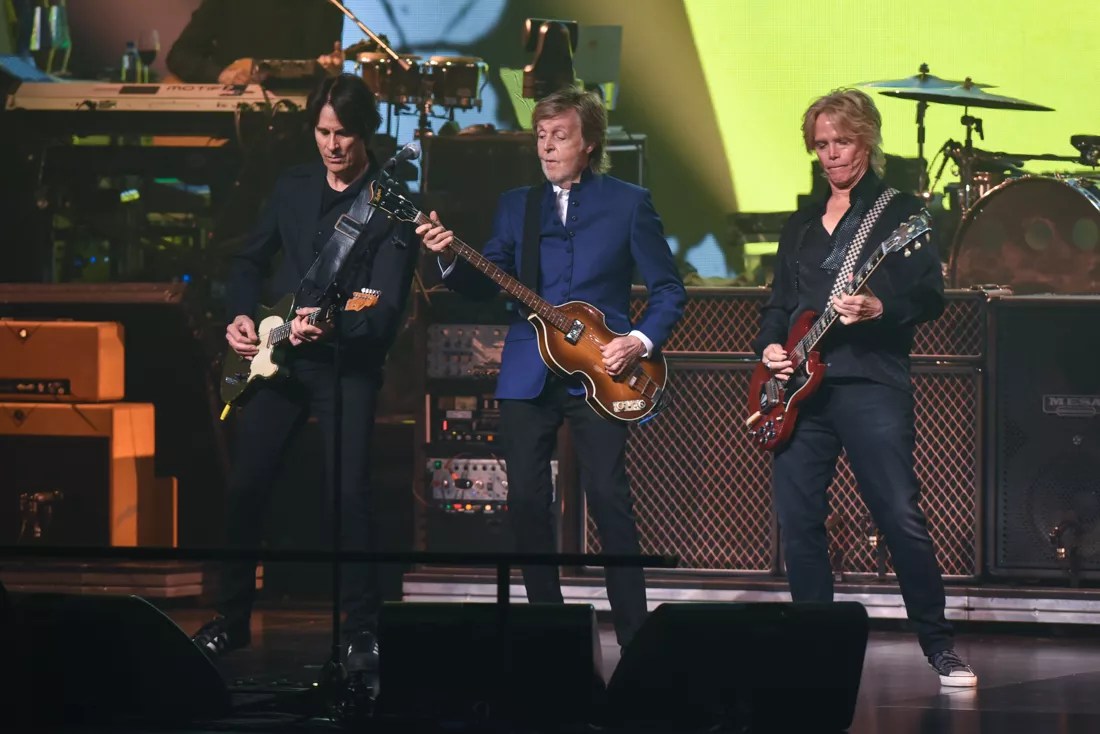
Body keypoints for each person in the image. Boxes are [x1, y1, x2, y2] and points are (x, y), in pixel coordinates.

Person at [417, 87, 685, 649]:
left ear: (590, 143)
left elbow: (668, 290)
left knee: (609, 496)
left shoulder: (630, 203)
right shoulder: (518, 204)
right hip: (528, 369)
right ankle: (548, 630)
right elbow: (484, 281)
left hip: (604, 370)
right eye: (541, 136)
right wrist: (446, 256)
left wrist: (637, 341)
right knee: (526, 500)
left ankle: (636, 638)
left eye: (559, 136)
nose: (546, 146)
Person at [191, 73, 418, 668]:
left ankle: (361, 630)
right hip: (278, 361)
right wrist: (241, 315)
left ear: (364, 132)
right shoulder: (292, 186)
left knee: (350, 497)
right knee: (245, 487)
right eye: (322, 132)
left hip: (345, 366)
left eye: (343, 134)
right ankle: (231, 619)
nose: (332, 145)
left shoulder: (391, 204)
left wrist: (335, 325)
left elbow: (384, 307)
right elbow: (247, 259)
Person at [752, 88, 977, 687]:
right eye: (821, 144)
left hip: (870, 381)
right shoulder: (802, 222)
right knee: (799, 519)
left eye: (842, 142)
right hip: (799, 393)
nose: (831, 154)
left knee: (899, 513)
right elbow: (779, 305)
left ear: (867, 140)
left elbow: (930, 297)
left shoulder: (900, 213)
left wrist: (881, 307)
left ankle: (939, 645)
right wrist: (770, 348)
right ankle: (814, 650)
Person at [165, 0, 345, 84]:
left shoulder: (327, 4)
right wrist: (220, 75)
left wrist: (330, 70)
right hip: (232, 122)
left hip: (301, 122)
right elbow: (180, 55)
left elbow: (321, 66)